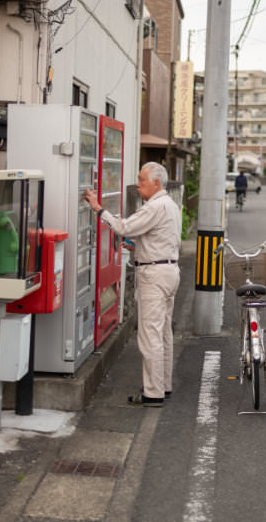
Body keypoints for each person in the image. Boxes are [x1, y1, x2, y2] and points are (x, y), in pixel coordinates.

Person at [83, 162, 181, 408]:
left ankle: (153, 393)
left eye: (142, 180)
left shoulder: (154, 206)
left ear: (156, 183)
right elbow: (160, 237)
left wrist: (98, 209)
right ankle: (164, 386)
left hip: (154, 275)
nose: (138, 184)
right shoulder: (170, 205)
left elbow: (124, 227)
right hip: (169, 270)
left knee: (150, 336)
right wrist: (138, 247)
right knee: (164, 333)